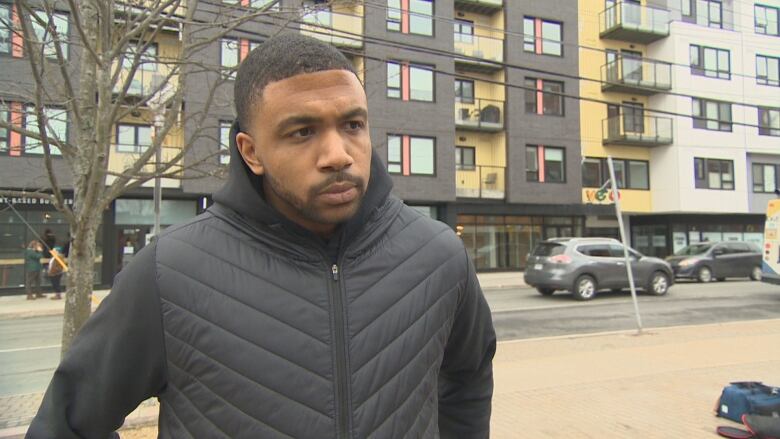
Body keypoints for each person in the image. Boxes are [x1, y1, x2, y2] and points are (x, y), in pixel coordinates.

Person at [28, 33, 495, 438]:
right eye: (302, 131)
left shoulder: (439, 255)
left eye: (352, 125)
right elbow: (66, 425)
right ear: (251, 152)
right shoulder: (169, 272)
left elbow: (467, 381)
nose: (338, 154)